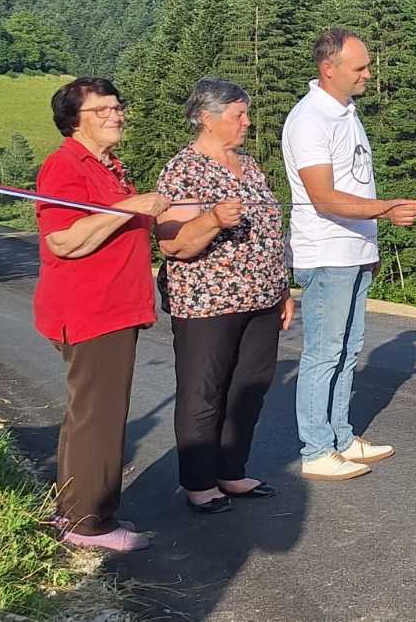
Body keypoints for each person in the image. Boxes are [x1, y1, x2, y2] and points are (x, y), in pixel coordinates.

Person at [34, 78, 168, 552]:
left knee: (91, 414)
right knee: (100, 417)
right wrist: (128, 206)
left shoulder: (110, 167)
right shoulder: (65, 164)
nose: (116, 115)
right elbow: (63, 240)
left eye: (117, 106)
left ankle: (73, 511)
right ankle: (89, 524)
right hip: (92, 310)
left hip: (115, 308)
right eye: (102, 110)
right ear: (75, 120)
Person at [282, 28, 416, 481]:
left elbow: (358, 182)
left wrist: (370, 243)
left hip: (354, 248)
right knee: (324, 352)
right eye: (359, 68)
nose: (367, 74)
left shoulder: (345, 113)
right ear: (329, 69)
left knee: (348, 348)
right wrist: (385, 211)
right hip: (326, 250)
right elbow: (324, 197)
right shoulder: (309, 120)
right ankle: (316, 448)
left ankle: (340, 436)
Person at [154, 78, 293, 512]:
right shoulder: (185, 170)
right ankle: (199, 481)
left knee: (249, 387)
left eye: (246, 113)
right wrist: (214, 219)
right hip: (207, 301)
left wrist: (283, 287)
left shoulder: (249, 167)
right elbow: (173, 243)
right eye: (238, 115)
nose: (247, 122)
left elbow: (270, 231)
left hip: (263, 297)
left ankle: (232, 470)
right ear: (206, 118)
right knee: (205, 391)